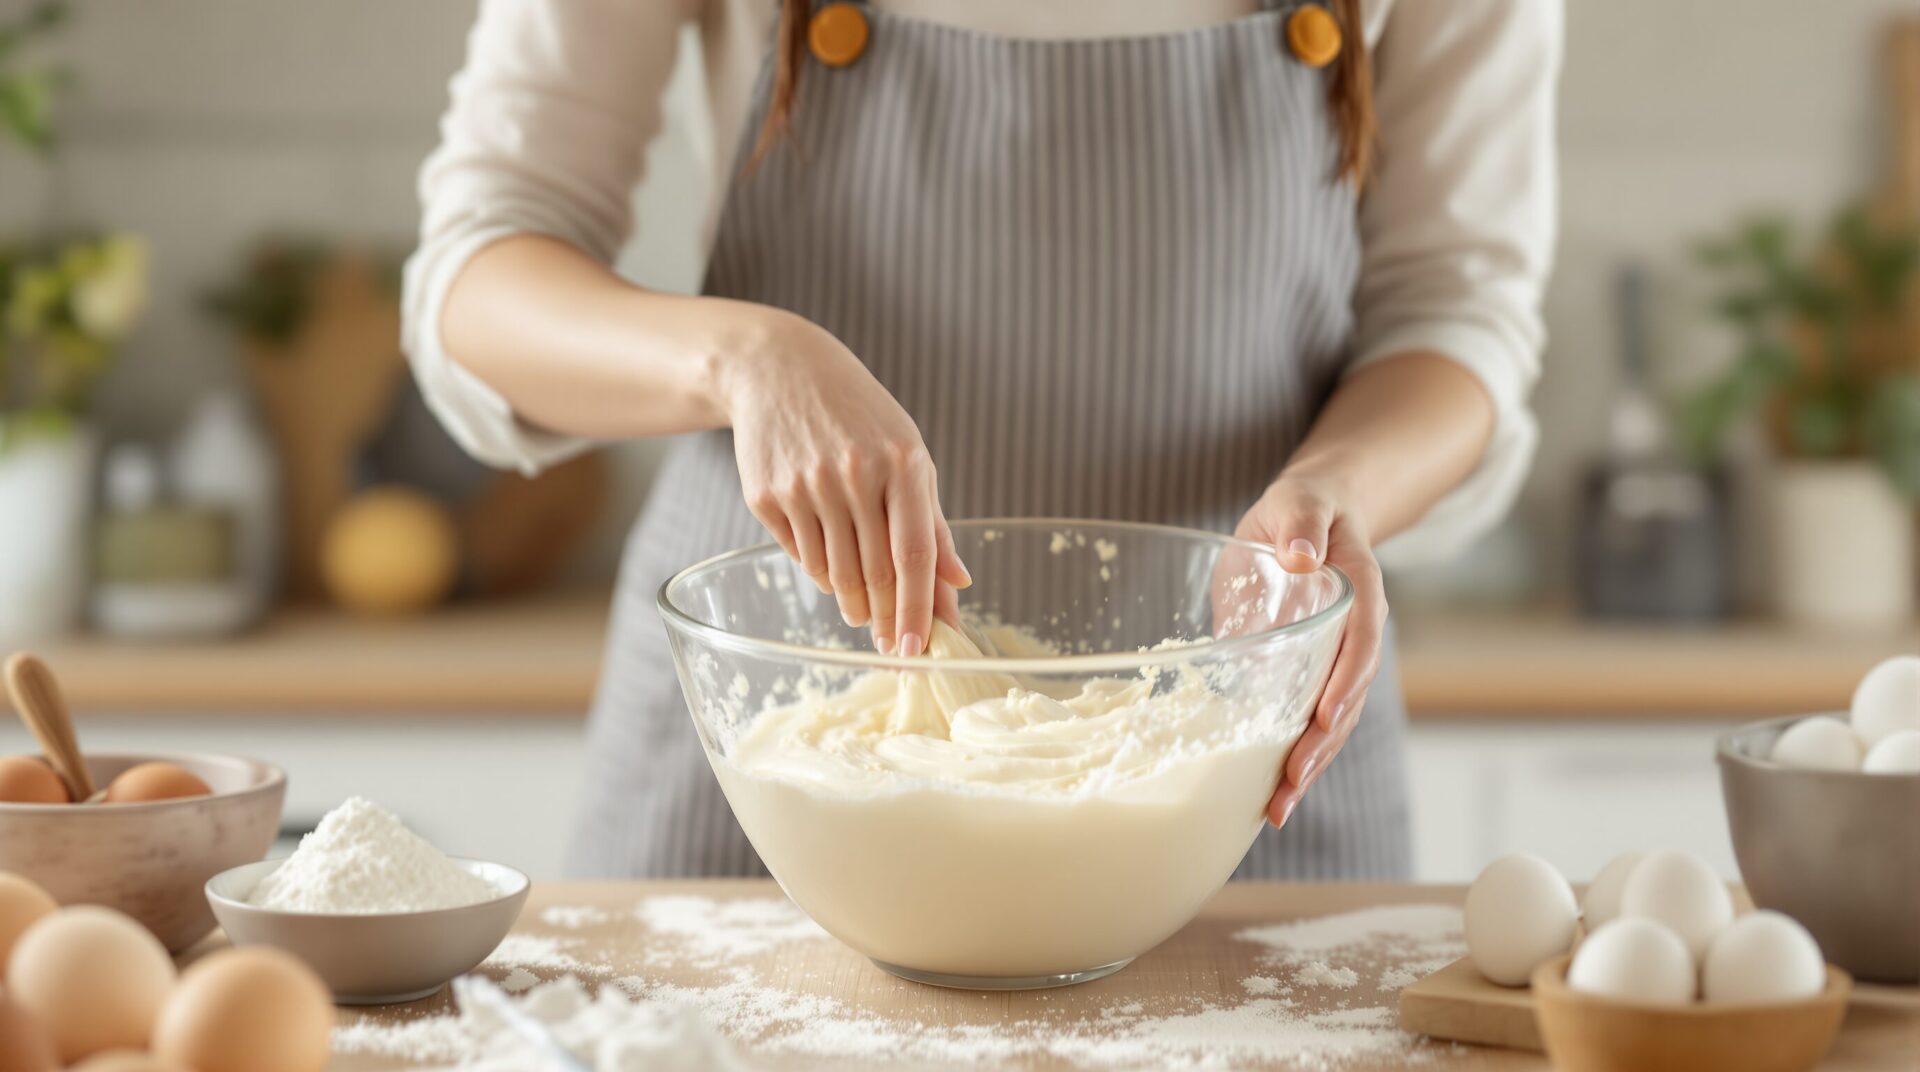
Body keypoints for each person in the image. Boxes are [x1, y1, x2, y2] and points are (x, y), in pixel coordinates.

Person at [404, 0, 1560, 879]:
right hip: (774, 749)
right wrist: (745, 361)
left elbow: (1458, 316)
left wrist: (1338, 487)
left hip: (1240, 745)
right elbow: (482, 269)